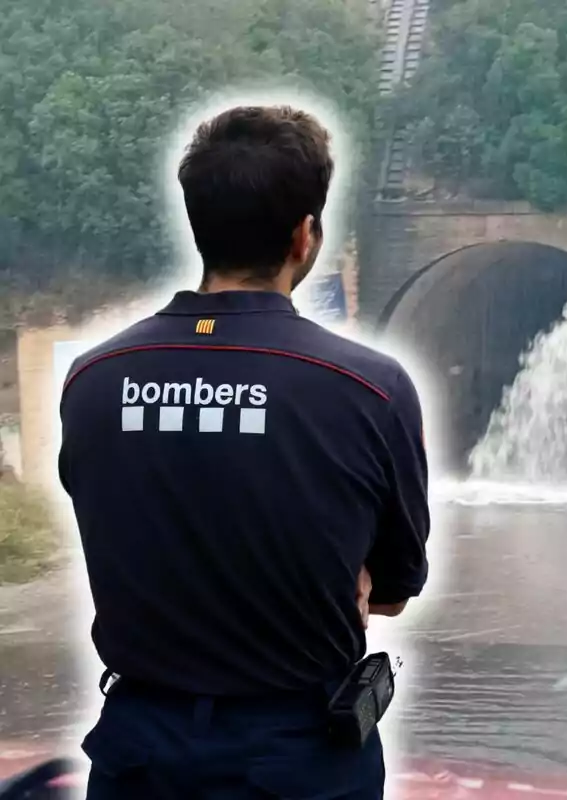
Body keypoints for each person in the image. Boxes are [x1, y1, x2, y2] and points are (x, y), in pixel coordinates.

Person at [57, 105, 430, 799]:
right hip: (299, 756)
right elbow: (398, 586)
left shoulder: (93, 380)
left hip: (139, 752)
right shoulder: (367, 389)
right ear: (303, 235)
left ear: (200, 225)